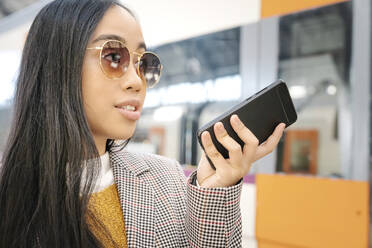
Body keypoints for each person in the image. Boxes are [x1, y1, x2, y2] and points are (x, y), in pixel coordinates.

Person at [0, 0, 285, 247]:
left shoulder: (168, 179)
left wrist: (216, 189)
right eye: (113, 57)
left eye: (142, 63)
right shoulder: (9, 193)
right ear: (56, 66)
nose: (137, 81)